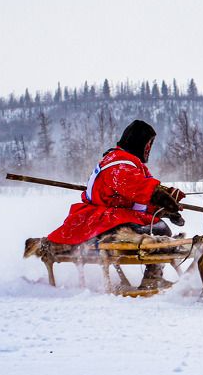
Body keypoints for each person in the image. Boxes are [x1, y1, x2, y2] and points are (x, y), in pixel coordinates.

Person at [48, 120, 185, 290]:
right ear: (138, 142)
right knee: (159, 229)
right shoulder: (119, 164)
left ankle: (153, 277)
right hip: (101, 220)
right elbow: (143, 190)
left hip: (113, 216)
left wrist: (165, 206)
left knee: (157, 225)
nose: (149, 148)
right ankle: (152, 278)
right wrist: (163, 200)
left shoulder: (126, 161)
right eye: (148, 143)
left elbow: (139, 198)